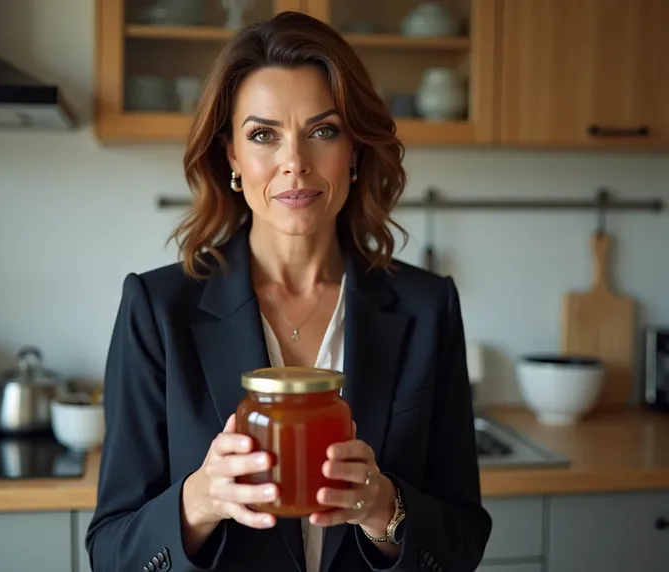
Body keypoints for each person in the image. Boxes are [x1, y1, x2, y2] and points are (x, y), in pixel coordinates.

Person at [85, 10, 491, 572]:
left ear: (354, 149)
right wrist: (201, 500)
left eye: (322, 131)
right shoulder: (158, 309)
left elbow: (462, 541)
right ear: (231, 155)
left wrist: (385, 509)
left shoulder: (428, 307)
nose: (294, 164)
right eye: (263, 135)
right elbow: (112, 552)